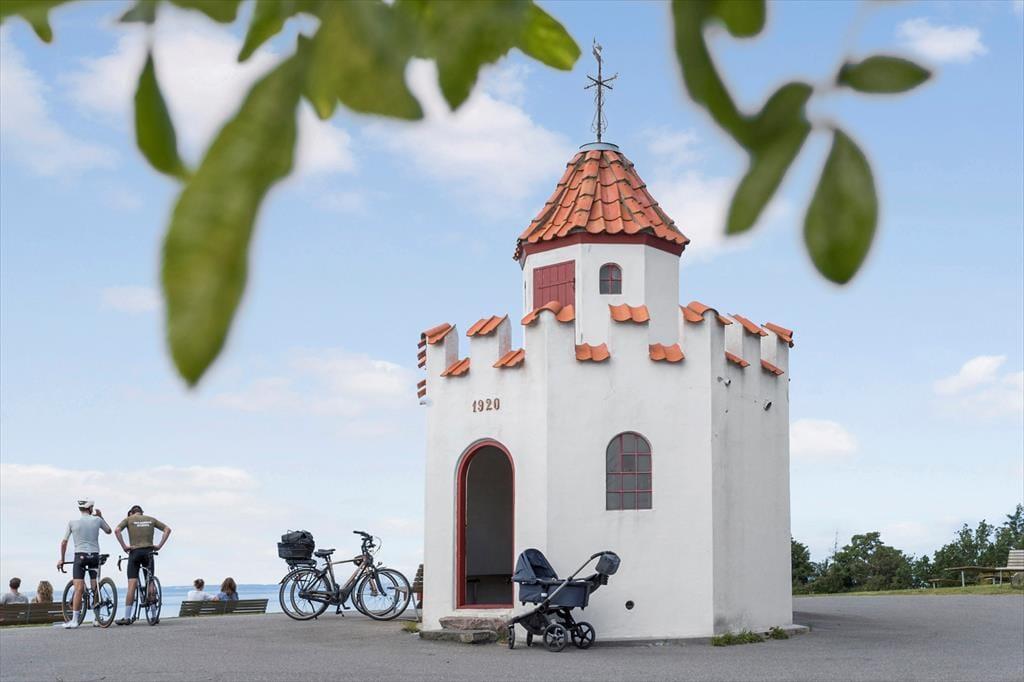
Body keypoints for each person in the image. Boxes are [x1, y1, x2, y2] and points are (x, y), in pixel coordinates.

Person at [58, 499, 112, 628]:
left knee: (78, 589)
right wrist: (101, 517)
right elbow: (109, 531)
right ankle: (97, 618)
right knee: (95, 587)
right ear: (90, 508)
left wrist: (62, 559)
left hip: (80, 556)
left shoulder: (72, 522)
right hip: (94, 556)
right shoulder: (97, 520)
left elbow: (64, 542)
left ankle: (75, 621)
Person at [114, 504, 171, 626]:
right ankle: (154, 615)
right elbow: (167, 529)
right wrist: (159, 546)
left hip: (134, 552)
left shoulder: (128, 519)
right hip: (149, 551)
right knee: (150, 581)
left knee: (132, 584)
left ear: (132, 512)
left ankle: (127, 617)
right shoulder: (151, 519)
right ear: (141, 512)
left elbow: (117, 530)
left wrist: (124, 547)